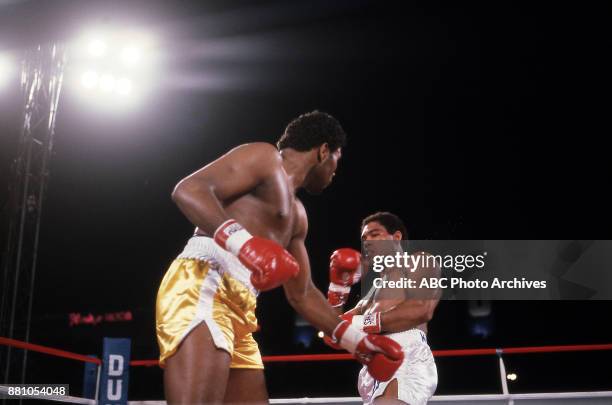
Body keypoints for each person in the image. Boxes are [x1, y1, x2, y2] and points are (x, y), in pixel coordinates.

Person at [155, 111, 404, 405]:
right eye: (337, 157)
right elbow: (188, 189)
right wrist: (244, 243)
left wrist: (357, 342)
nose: (336, 170)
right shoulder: (265, 157)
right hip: (203, 281)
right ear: (323, 151)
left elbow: (303, 294)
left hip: (242, 309)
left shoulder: (298, 217)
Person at [325, 211, 440, 405]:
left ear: (396, 237)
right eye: (364, 238)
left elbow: (422, 309)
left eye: (375, 234)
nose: (367, 241)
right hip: (373, 366)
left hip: (405, 355)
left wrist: (361, 323)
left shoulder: (418, 262)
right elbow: (332, 332)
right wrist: (338, 288)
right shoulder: (371, 295)